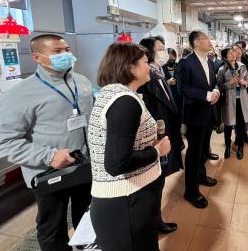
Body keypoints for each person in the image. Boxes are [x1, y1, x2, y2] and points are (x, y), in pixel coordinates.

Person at [0, 34, 93, 251]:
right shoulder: (21, 92)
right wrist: (48, 156)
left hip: (85, 167)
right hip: (49, 173)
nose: (65, 54)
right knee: (52, 228)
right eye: (57, 52)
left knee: (87, 220)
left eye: (66, 49)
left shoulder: (82, 82)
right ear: (37, 57)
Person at [88, 43, 171, 251]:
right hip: (126, 201)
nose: (149, 67)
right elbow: (117, 164)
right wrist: (157, 151)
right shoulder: (124, 102)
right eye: (145, 62)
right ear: (130, 67)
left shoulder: (117, 94)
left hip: (131, 196)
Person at [138, 37, 183, 235]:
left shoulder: (158, 71)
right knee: (153, 183)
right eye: (161, 48)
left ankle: (154, 219)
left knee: (159, 180)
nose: (165, 52)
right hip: (154, 136)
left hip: (165, 132)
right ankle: (152, 222)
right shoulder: (145, 79)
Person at [177, 30, 219, 209]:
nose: (209, 41)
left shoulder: (209, 61)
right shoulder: (185, 63)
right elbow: (183, 89)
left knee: (203, 149)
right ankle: (191, 191)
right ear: (195, 43)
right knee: (193, 152)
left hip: (208, 113)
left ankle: (201, 176)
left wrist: (216, 90)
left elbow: (213, 82)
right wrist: (206, 95)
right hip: (195, 114)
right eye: (205, 39)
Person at [218, 47, 248, 159]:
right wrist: (230, 83)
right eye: (229, 53)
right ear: (225, 57)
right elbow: (220, 86)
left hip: (241, 99)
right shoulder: (222, 69)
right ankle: (228, 146)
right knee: (228, 125)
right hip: (229, 101)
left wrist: (244, 82)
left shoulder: (242, 66)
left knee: (241, 124)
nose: (233, 54)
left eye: (233, 52)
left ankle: (240, 146)